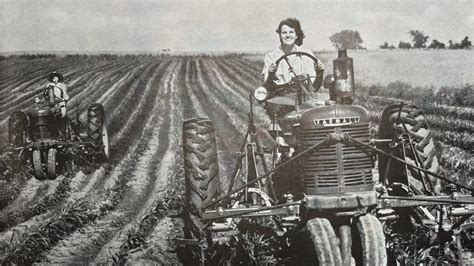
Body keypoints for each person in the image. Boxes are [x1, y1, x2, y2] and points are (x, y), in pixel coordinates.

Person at [261, 18, 325, 138]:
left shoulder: (307, 54)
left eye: (291, 32)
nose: (288, 35)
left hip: (304, 98)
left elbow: (313, 87)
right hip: (281, 100)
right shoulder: (271, 57)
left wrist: (320, 72)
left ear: (297, 35)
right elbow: (266, 85)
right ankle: (282, 148)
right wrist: (270, 73)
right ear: (279, 35)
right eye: (284, 33)